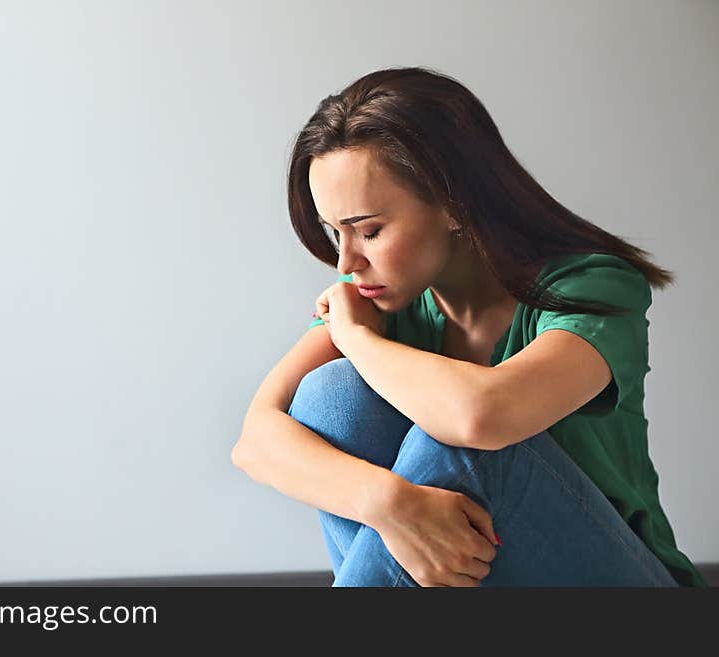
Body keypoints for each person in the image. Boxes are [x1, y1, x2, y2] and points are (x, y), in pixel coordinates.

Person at [231, 66, 706, 587]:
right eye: (334, 231)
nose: (346, 262)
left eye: (368, 230)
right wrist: (392, 505)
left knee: (459, 441)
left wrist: (355, 337)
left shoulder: (593, 284)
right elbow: (255, 441)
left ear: (454, 203)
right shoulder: (385, 299)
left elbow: (482, 417)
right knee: (331, 395)